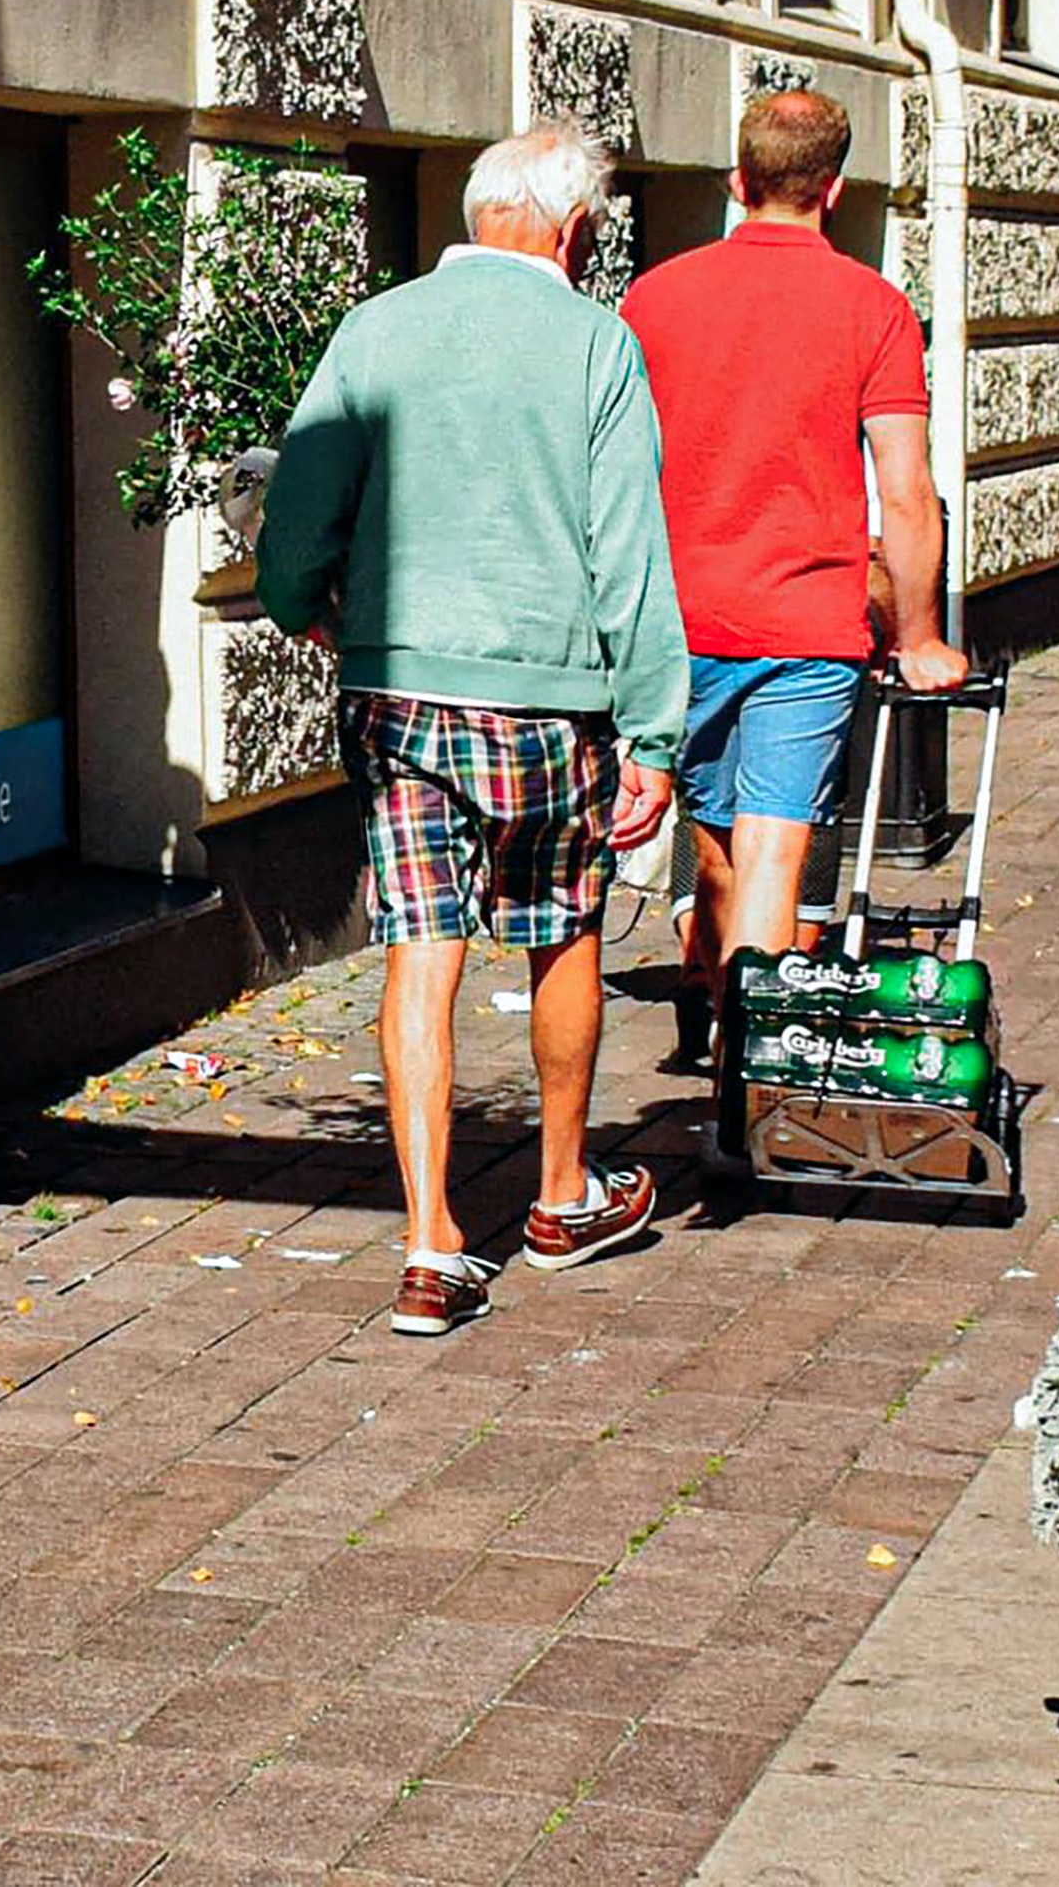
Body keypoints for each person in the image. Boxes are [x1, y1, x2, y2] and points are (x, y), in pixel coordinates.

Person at [256, 121, 686, 1339]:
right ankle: (559, 1195)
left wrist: (303, 606)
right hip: (552, 696)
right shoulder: (598, 344)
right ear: (576, 227)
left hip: (400, 692)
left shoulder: (377, 327)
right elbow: (630, 552)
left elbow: (300, 507)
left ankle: (433, 1242)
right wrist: (654, 731)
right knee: (562, 933)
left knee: (422, 946)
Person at [623, 87, 968, 1018]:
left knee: (721, 836)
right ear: (837, 188)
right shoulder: (873, 306)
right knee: (777, 846)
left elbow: (614, 465)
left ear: (738, 181)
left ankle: (716, 1002)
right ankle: (748, 1091)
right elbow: (905, 486)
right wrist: (921, 634)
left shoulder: (653, 297)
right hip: (807, 623)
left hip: (676, 619)